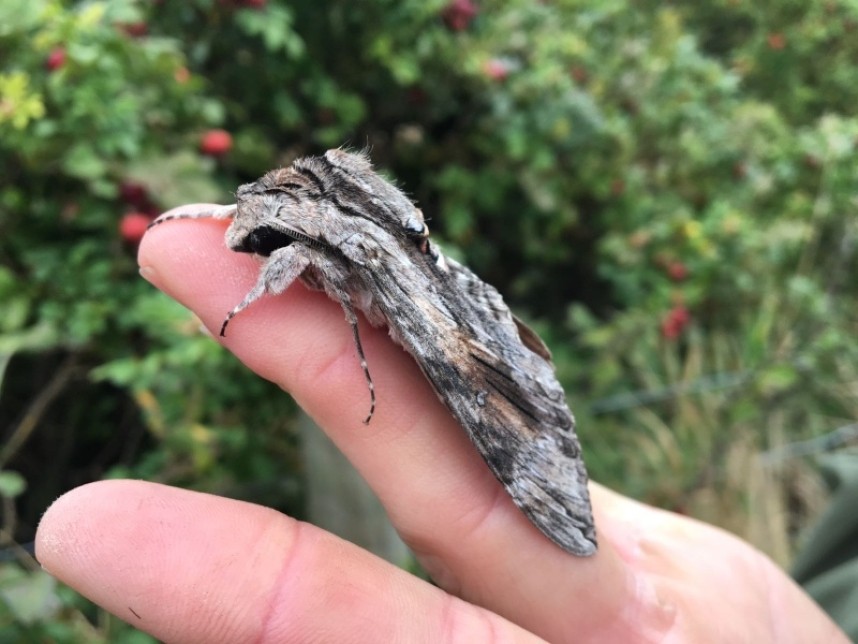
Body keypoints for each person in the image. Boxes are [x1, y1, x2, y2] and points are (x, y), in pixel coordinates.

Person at [36, 206, 848, 643]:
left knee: (510, 454)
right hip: (432, 285)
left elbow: (346, 287)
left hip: (441, 326)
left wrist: (251, 300)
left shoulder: (339, 254)